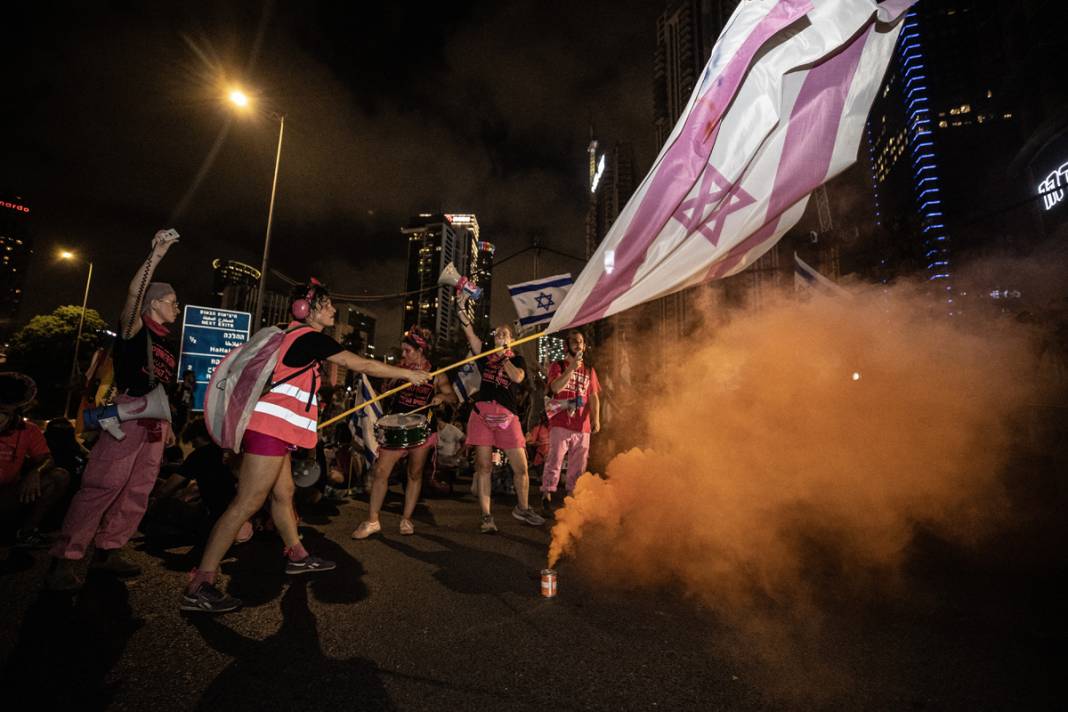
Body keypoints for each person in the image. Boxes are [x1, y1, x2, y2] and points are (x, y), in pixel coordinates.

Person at [182, 279, 431, 613]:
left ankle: (297, 555)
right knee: (246, 504)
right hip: (268, 431)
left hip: (275, 433)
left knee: (283, 494)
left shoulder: (294, 338)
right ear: (307, 310)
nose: (332, 310)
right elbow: (361, 364)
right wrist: (407, 374)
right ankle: (201, 582)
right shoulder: (308, 338)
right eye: (326, 304)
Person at [47, 229, 181, 590]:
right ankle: (66, 557)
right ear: (154, 304)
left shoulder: (169, 343)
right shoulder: (135, 328)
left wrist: (168, 426)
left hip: (154, 421)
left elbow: (164, 388)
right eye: (171, 301)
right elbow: (134, 293)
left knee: (138, 489)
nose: (176, 307)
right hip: (129, 415)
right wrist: (157, 253)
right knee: (103, 484)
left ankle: (108, 549)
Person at [352, 325, 457, 539]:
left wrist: (441, 398)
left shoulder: (435, 373)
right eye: (403, 351)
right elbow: (383, 393)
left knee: (414, 474)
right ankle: (372, 520)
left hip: (421, 429)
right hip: (395, 427)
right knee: (381, 472)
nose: (403, 355)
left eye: (407, 351)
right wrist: (389, 384)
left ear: (420, 351)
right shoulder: (398, 370)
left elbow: (453, 397)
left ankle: (406, 519)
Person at [456, 293, 545, 533]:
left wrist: (505, 355)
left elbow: (517, 378)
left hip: (507, 416)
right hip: (482, 414)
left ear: (512, 340)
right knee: (484, 466)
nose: (499, 336)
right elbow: (470, 335)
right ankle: (486, 516)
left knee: (521, 467)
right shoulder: (484, 355)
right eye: (497, 334)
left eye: (504, 335)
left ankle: (523, 508)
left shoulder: (516, 359)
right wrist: (461, 312)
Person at [0, 373, 70, 547]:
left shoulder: (28, 430)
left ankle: (26, 533)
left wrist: (35, 472)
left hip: (6, 496)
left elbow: (47, 458)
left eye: (5, 412)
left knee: (59, 476)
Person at [540, 330, 600, 514]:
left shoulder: (590, 370)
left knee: (579, 462)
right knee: (555, 459)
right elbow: (555, 388)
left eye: (581, 342)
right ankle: (547, 492)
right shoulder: (557, 366)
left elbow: (594, 396)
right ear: (567, 345)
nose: (578, 344)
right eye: (574, 341)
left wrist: (596, 418)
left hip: (582, 425)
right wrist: (571, 368)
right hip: (560, 422)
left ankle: (572, 495)